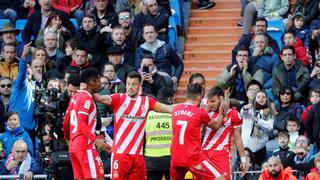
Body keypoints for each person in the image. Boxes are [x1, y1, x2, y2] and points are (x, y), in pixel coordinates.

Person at [93, 71, 173, 180]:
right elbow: (99, 98)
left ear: (139, 85)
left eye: (133, 84)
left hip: (138, 156)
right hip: (120, 154)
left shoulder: (147, 101)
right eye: (128, 84)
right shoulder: (118, 98)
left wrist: (188, 106)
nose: (130, 87)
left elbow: (167, 108)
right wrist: (83, 89)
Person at [170, 83, 226, 180]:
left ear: (186, 95)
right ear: (199, 97)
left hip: (175, 158)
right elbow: (216, 125)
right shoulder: (200, 112)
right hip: (192, 158)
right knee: (220, 178)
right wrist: (222, 111)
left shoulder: (175, 109)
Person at [63, 68, 109, 180]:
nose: (100, 84)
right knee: (98, 177)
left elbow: (66, 122)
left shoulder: (75, 97)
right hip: (85, 146)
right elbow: (81, 122)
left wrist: (69, 140)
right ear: (92, 82)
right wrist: (95, 140)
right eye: (99, 81)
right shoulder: (86, 98)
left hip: (74, 147)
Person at [202, 86, 247, 179]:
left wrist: (243, 159)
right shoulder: (205, 111)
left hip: (221, 155)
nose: (210, 104)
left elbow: (238, 137)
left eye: (213, 101)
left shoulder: (233, 113)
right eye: (209, 101)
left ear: (221, 99)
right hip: (203, 154)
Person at [144, 87, 175, 180]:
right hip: (170, 159)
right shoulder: (174, 115)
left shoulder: (148, 115)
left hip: (151, 160)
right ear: (169, 99)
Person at [240, 90, 276, 165]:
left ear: (267, 99)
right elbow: (242, 113)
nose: (261, 99)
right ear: (255, 99)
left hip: (260, 147)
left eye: (263, 97)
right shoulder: (249, 109)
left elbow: (269, 127)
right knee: (244, 167)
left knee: (259, 169)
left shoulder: (269, 112)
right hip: (245, 145)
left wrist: (258, 121)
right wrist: (245, 109)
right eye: (258, 97)